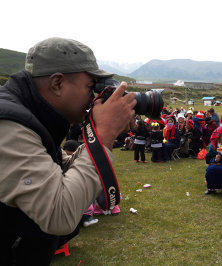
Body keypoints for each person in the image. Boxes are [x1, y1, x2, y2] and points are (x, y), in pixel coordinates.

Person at [0, 37, 136, 265]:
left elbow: (55, 169)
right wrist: (103, 135)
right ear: (57, 84)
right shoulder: (8, 125)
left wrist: (102, 136)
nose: (93, 98)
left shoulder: (29, 116)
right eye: (91, 87)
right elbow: (59, 214)